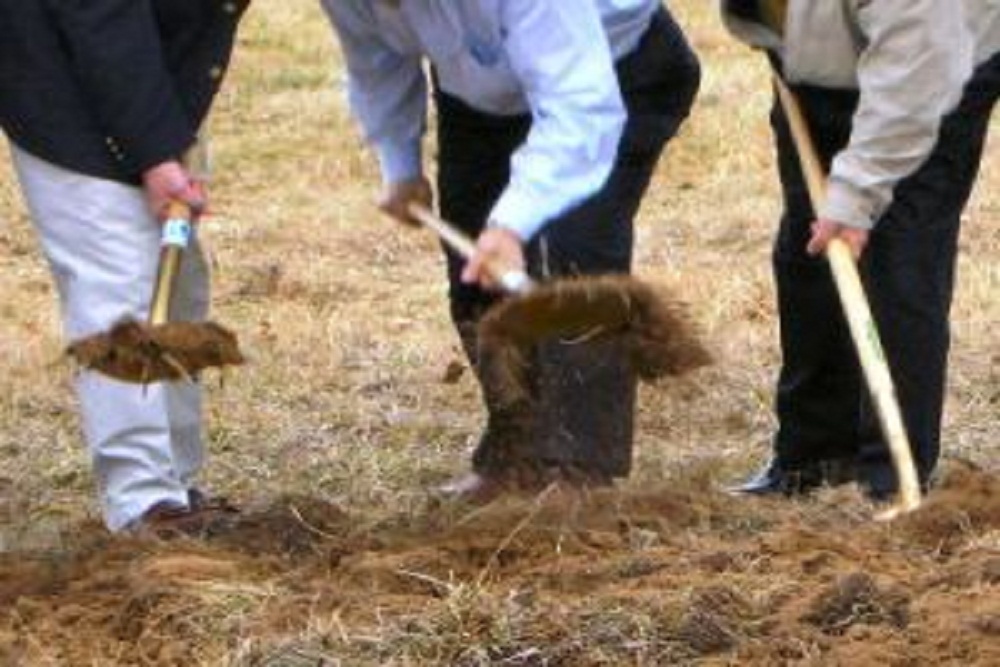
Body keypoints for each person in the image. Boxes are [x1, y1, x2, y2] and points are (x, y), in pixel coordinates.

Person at [321, 0, 700, 500]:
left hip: (612, 73)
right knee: (475, 269)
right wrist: (400, 164)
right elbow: (376, 59)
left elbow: (580, 109)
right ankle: (517, 453)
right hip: (480, 91)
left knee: (572, 259)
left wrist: (512, 224)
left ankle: (578, 468)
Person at [721, 0, 1000, 499]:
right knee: (810, 245)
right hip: (822, 62)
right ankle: (815, 454)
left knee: (900, 250)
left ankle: (894, 471)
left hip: (940, 60)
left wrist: (856, 194)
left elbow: (918, 76)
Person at [0, 0, 250, 533]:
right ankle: (143, 501)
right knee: (116, 277)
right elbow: (101, 17)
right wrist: (155, 153)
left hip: (148, 68)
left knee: (177, 282)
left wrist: (169, 134)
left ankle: (176, 485)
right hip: (60, 67)